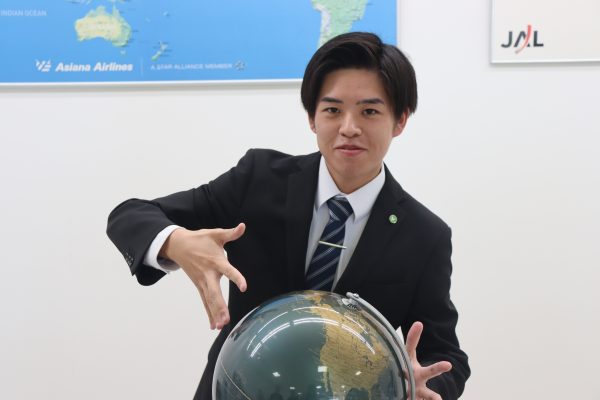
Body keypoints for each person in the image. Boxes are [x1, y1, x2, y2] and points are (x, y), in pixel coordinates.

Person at [107, 32, 470, 399]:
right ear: (312, 118)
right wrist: (175, 241)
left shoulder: (425, 236)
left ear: (400, 120)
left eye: (369, 111)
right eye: (332, 110)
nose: (349, 128)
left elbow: (445, 354)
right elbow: (130, 215)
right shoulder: (258, 179)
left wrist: (423, 386)